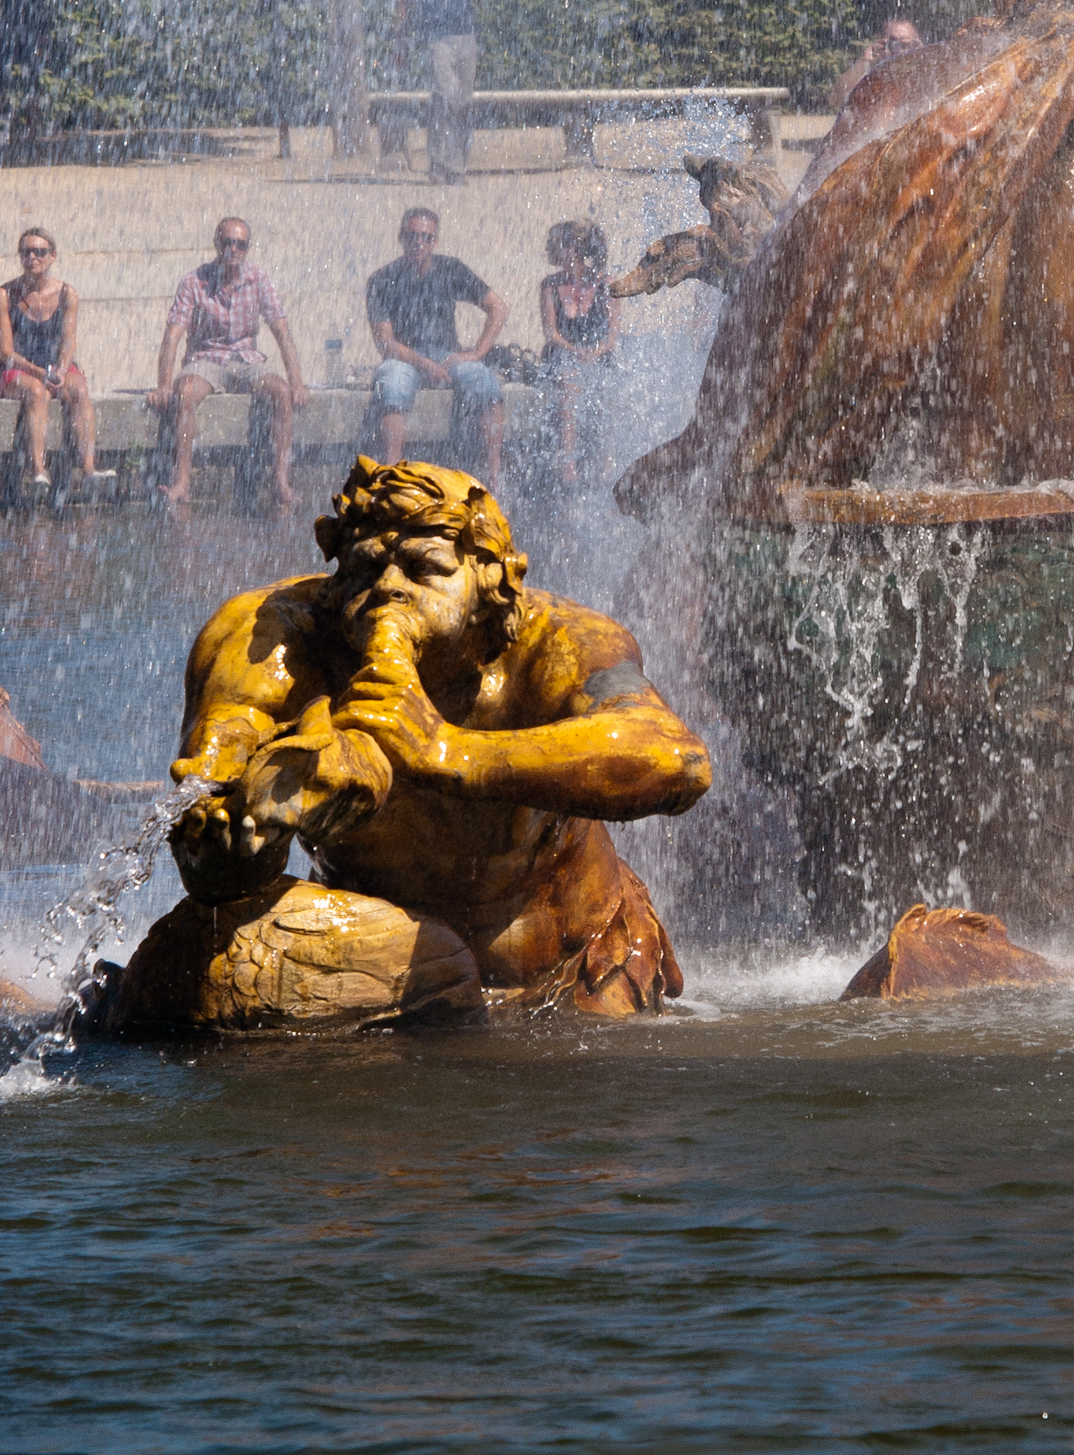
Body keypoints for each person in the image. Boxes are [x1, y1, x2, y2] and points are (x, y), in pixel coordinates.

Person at [101, 458, 710, 1033]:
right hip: (382, 968)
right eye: (365, 568)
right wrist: (235, 835)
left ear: (490, 578)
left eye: (424, 569)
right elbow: (213, 827)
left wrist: (446, 750)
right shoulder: (269, 637)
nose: (389, 587)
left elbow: (676, 760)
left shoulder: (557, 642)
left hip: (574, 968)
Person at [148, 218, 306, 510]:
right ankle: (183, 480)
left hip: (246, 358)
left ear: (247, 248)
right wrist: (163, 385)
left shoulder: (259, 279)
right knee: (184, 394)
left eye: (240, 244)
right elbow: (172, 336)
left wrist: (296, 382)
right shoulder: (194, 282)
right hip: (206, 357)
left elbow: (282, 332)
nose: (233, 249)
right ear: (216, 243)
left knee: (281, 392)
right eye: (227, 242)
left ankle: (280, 481)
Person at [366, 207, 507, 481]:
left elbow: (498, 308)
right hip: (404, 357)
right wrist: (424, 364)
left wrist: (476, 353)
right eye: (412, 235)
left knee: (485, 381)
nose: (418, 243)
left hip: (446, 355)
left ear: (435, 241)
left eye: (426, 237)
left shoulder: (451, 269)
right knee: (392, 382)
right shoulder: (382, 279)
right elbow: (385, 343)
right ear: (400, 237)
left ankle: (495, 476)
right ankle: (391, 475)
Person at [1, 226, 107, 497]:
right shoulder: (6, 294)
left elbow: (69, 340)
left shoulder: (66, 294)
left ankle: (89, 468)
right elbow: (6, 352)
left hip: (53, 364)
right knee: (37, 392)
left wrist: (60, 368)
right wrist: (41, 372)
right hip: (18, 368)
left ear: (52, 256)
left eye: (40, 252)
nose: (32, 257)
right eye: (26, 252)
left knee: (79, 388)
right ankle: (39, 470)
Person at [400, 0, 490, 183]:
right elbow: (405, 0)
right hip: (437, 37)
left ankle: (456, 166)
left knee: (462, 102)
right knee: (446, 95)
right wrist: (400, 40)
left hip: (465, 36)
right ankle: (440, 161)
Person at [539, 221, 618, 490]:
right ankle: (568, 467)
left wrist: (594, 352)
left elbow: (611, 338)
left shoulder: (607, 285)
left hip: (598, 354)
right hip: (562, 354)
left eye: (555, 245)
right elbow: (552, 334)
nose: (549, 250)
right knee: (569, 380)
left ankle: (607, 465)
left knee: (608, 386)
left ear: (573, 249)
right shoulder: (550, 286)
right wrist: (576, 351)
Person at [0, 0, 52, 145]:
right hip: (12, 14)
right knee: (3, 68)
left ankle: (32, 130)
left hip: (31, 16)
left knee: (31, 73)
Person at [830, 15, 924, 115]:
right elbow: (835, 100)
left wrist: (924, 56)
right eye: (893, 42)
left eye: (906, 44)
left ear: (917, 45)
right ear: (881, 43)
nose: (899, 50)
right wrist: (863, 62)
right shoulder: (872, 76)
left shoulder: (925, 74)